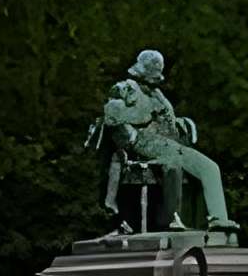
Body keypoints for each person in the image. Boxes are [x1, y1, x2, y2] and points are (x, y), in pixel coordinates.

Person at [98, 48, 236, 235]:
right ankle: (171, 218)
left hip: (171, 144)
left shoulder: (157, 94)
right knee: (172, 167)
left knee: (210, 167)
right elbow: (113, 118)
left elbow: (169, 117)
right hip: (145, 144)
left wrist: (177, 122)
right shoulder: (125, 90)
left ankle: (219, 220)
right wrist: (133, 132)